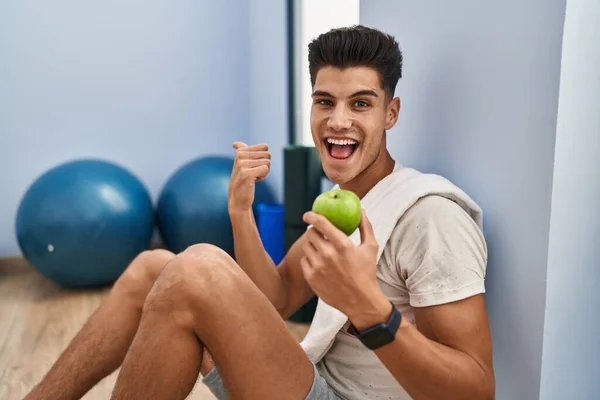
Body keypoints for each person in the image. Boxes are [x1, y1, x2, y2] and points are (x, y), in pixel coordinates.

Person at [25, 25, 494, 400]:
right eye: (325, 101)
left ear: (390, 114)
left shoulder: (430, 217)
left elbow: (475, 391)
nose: (338, 120)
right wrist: (240, 211)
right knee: (155, 267)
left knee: (196, 269)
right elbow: (278, 298)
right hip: (308, 379)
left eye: (361, 104)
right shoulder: (342, 208)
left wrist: (369, 310)